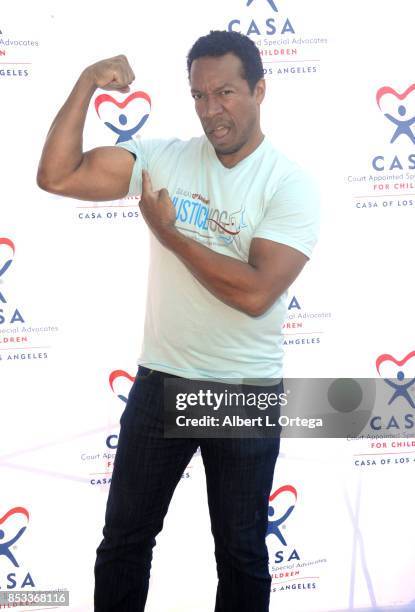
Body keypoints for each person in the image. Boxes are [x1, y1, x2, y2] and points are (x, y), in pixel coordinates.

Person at [37, 30, 319, 612]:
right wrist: (88, 81)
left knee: (241, 553)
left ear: (260, 90)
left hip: (244, 391)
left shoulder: (289, 184)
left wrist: (169, 234)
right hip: (164, 379)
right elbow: (57, 176)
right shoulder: (161, 159)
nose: (211, 109)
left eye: (225, 93)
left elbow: (255, 293)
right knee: (124, 542)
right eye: (199, 95)